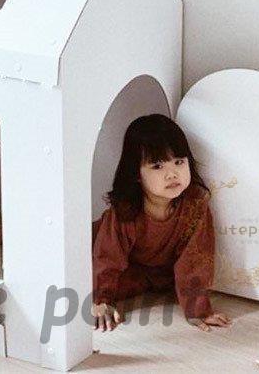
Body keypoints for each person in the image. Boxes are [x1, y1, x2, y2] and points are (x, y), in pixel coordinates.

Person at [92, 114, 232, 332]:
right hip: (98, 251)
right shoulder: (124, 212)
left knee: (156, 283)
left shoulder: (195, 205)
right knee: (75, 280)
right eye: (157, 166)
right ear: (136, 174)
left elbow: (196, 258)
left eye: (179, 162)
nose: (172, 174)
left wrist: (197, 310)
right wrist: (101, 300)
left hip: (149, 273)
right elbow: (107, 258)